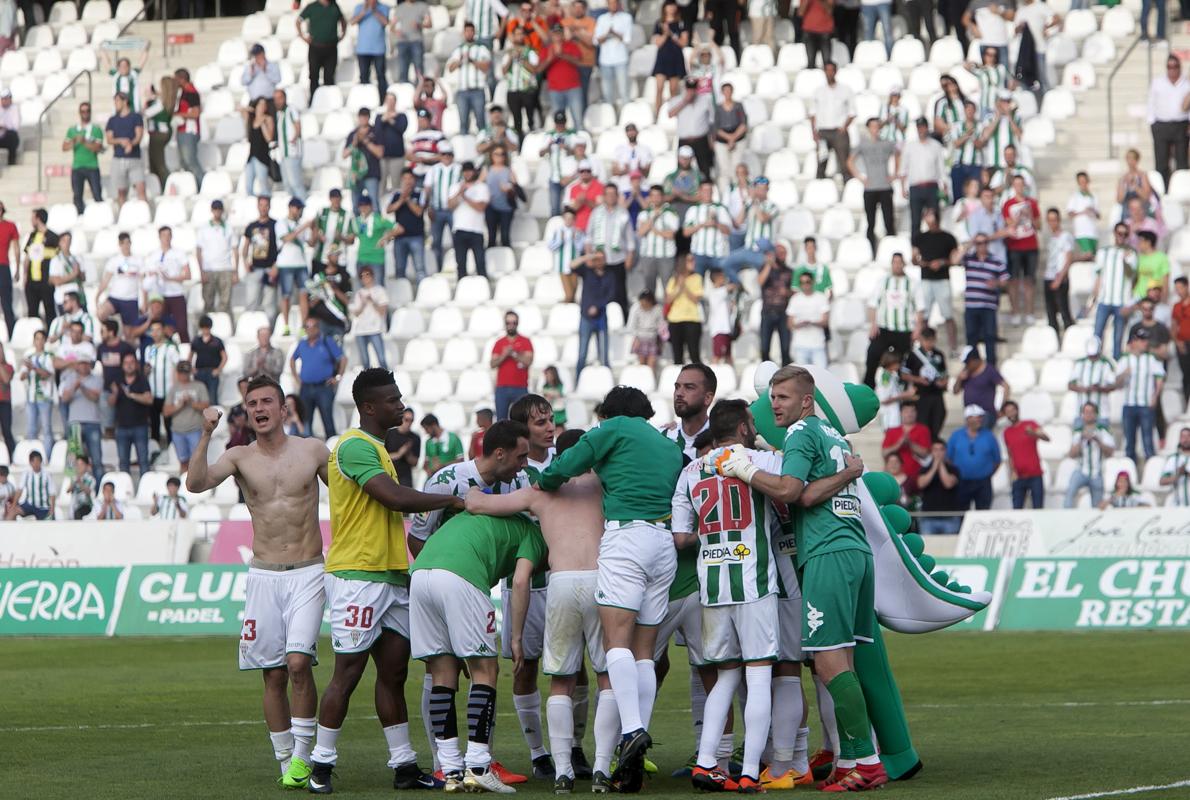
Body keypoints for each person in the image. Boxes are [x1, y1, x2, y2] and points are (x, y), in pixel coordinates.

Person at [709, 366, 887, 791]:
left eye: (783, 397)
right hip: (855, 551)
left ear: (806, 401)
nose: (775, 405)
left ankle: (868, 762)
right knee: (843, 661)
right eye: (773, 397)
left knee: (827, 662)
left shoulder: (801, 433)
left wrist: (744, 470)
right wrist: (845, 474)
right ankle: (851, 761)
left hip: (827, 551)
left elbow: (793, 492)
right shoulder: (834, 437)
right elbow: (811, 491)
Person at [304, 369, 463, 793]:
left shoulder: (377, 448)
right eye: (393, 400)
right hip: (358, 575)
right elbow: (391, 498)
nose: (401, 405)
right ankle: (320, 765)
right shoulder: (355, 446)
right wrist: (452, 500)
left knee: (393, 675)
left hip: (391, 575)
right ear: (369, 407)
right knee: (348, 673)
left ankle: (404, 766)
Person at [536, 386, 683, 791]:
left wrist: (547, 479)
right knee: (645, 652)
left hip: (626, 538)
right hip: (663, 542)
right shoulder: (667, 444)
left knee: (616, 642)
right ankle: (637, 738)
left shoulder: (612, 428)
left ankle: (632, 730)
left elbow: (564, 466)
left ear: (610, 413)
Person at [186, 376, 327, 788]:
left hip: (308, 570)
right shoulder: (239, 457)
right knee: (274, 674)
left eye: (267, 401)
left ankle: (303, 758)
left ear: (284, 409)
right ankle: (286, 761)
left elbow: (351, 493)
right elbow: (195, 483)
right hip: (264, 574)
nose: (260, 408)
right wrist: (206, 433)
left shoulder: (313, 450)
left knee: (298, 663)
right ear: (246, 412)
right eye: (253, 404)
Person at [409, 441, 545, 794]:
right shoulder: (534, 533)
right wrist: (516, 639)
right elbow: (520, 581)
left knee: (442, 672)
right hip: (461, 576)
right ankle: (480, 765)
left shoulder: (485, 515)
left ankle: (450, 770)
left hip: (420, 574)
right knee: (485, 670)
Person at [669, 401, 779, 793]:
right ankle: (749, 772)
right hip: (754, 581)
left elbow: (680, 536)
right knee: (759, 675)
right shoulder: (762, 460)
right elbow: (791, 491)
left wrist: (712, 539)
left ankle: (706, 763)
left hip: (712, 585)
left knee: (726, 676)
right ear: (745, 427)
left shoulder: (690, 471)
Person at [863, 253, 918, 387]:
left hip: (904, 330)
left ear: (904, 264)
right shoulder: (883, 281)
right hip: (884, 328)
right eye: (895, 262)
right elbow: (872, 304)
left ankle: (903, 390)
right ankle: (868, 387)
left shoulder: (912, 283)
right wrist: (873, 324)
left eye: (900, 262)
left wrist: (918, 328)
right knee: (872, 354)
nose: (897, 265)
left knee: (904, 362)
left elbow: (920, 308)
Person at [849, 118, 898, 253]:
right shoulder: (863, 145)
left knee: (889, 221)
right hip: (870, 188)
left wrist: (895, 174)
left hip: (885, 187)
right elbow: (850, 161)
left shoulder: (886, 143)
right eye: (872, 126)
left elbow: (898, 154)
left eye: (877, 126)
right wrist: (860, 177)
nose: (875, 129)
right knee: (871, 222)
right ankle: (871, 251)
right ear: (868, 128)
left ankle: (891, 251)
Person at [292, 318, 346, 438]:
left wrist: (338, 377)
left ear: (318, 328)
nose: (310, 330)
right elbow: (292, 359)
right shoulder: (302, 343)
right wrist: (296, 377)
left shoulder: (327, 341)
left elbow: (342, 358)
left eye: (313, 327)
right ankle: (307, 448)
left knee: (328, 421)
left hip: (324, 387)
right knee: (305, 422)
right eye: (307, 327)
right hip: (306, 387)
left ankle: (332, 447)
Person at [585, 183, 634, 315]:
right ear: (604, 196)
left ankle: (622, 320)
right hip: (599, 260)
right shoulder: (596, 213)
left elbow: (630, 239)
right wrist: (589, 256)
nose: (611, 197)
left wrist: (629, 257)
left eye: (613, 194)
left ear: (617, 196)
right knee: (599, 293)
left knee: (619, 293)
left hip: (618, 260)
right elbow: (589, 237)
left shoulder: (623, 213)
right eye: (608, 194)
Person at [961, 235, 1010, 366]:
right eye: (978, 243)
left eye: (984, 242)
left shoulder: (996, 261)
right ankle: (973, 366)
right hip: (971, 305)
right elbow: (955, 259)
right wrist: (969, 244)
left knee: (990, 336)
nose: (981, 245)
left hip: (988, 305)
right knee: (971, 336)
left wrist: (996, 283)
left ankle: (990, 368)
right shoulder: (969, 259)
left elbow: (1006, 281)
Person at [1091, 223, 1137, 360]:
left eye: (1125, 234)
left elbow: (1131, 276)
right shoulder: (1103, 252)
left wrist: (1125, 260)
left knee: (1118, 337)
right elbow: (1098, 277)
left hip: (1121, 302)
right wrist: (1094, 297)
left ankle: (1116, 364)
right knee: (1097, 334)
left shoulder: (1132, 254)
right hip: (1104, 300)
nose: (1122, 237)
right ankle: (1096, 362)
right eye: (1119, 233)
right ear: (1115, 233)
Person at [1117, 329, 1164, 464]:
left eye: (1146, 340)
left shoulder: (1151, 359)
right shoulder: (1125, 359)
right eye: (1142, 340)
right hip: (1129, 404)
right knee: (1129, 441)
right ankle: (1130, 469)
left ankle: (1151, 468)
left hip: (1145, 404)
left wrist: (1155, 396)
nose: (1145, 343)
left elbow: (1159, 378)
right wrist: (1124, 374)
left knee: (1148, 441)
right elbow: (1116, 383)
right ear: (1134, 342)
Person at [1002, 174, 1041, 325]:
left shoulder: (1032, 203)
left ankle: (1029, 312)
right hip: (1014, 246)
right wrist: (1018, 217)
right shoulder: (1008, 204)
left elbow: (1039, 226)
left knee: (1029, 280)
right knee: (1014, 280)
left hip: (1030, 245)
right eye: (1016, 184)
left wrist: (1030, 215)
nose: (1019, 187)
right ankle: (1015, 311)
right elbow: (1008, 225)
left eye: (1021, 184)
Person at [946, 404, 1001, 511]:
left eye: (981, 417)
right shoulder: (956, 435)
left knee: (983, 513)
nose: (980, 420)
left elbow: (997, 460)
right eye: (977, 417)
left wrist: (986, 473)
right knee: (961, 512)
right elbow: (948, 458)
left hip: (983, 483)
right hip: (962, 482)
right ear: (968, 419)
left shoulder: (989, 435)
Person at [59, 355, 104, 477]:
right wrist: (75, 386)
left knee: (96, 458)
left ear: (90, 366)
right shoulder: (70, 378)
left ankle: (98, 485)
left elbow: (95, 397)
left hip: (92, 422)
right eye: (81, 363)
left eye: (86, 364)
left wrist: (82, 387)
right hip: (75, 423)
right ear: (77, 365)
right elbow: (64, 399)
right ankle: (71, 484)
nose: (83, 366)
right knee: (72, 457)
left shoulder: (97, 379)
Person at [1149, 55, 1189, 186]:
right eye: (1169, 67)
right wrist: (1152, 123)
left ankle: (1181, 187)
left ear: (1179, 68)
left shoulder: (1186, 83)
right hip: (1161, 124)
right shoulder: (1158, 82)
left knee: (1181, 160)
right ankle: (1163, 188)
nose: (1172, 70)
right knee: (1161, 160)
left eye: (1175, 67)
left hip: (1181, 124)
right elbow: (1151, 103)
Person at [632, 186, 678, 300]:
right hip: (648, 255)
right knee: (649, 288)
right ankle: (652, 310)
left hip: (666, 255)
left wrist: (654, 230)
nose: (656, 198)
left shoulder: (671, 213)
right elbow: (641, 232)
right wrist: (653, 217)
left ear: (663, 197)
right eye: (653, 195)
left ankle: (667, 310)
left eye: (658, 195)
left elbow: (671, 235)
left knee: (668, 287)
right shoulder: (644, 213)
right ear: (650, 197)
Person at [810, 62, 855, 180]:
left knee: (844, 163)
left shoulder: (845, 90)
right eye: (827, 70)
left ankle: (849, 186)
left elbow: (852, 112)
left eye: (831, 70)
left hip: (838, 132)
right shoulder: (818, 91)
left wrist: (844, 127)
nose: (829, 73)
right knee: (821, 162)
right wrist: (814, 131)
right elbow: (813, 113)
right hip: (822, 132)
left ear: (835, 72)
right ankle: (820, 185)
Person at [163, 361, 210, 472]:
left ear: (190, 373)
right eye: (181, 373)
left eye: (186, 373)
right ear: (177, 373)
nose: (183, 375)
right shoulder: (173, 389)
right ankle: (184, 481)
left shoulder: (199, 386)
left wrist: (191, 403)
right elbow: (166, 411)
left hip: (195, 429)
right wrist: (179, 405)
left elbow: (206, 406)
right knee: (183, 461)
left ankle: (198, 481)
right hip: (177, 431)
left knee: (197, 461)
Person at [1066, 402, 1115, 508]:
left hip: (1096, 473)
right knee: (1069, 493)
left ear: (1095, 414)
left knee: (1097, 505)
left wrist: (1098, 441)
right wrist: (1081, 440)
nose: (1088, 415)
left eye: (1090, 412)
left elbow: (1110, 452)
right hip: (1081, 470)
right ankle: (1066, 515)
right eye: (1086, 412)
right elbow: (1071, 454)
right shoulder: (1078, 431)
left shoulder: (1103, 430)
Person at [1001, 400, 1048, 510]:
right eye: (1008, 412)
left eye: (1012, 410)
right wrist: (1012, 471)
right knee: (1017, 509)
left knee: (1038, 509)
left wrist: (1034, 433)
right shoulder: (1007, 432)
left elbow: (1046, 438)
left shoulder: (1030, 424)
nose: (1011, 414)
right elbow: (1010, 454)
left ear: (1017, 411)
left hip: (1035, 475)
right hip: (1018, 476)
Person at [195, 200, 238, 319]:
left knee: (225, 303)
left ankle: (225, 325)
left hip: (225, 269)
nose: (217, 212)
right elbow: (198, 251)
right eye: (215, 209)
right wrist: (201, 271)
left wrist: (235, 271)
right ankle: (208, 327)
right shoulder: (204, 228)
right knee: (208, 303)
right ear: (212, 210)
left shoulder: (229, 228)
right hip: (209, 269)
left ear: (222, 211)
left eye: (219, 209)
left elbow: (235, 250)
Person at [103, 93, 146, 212]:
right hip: (118, 158)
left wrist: (131, 144)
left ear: (125, 101)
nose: (115, 104)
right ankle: (123, 213)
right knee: (121, 192)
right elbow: (109, 139)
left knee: (140, 188)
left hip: (134, 159)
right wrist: (121, 141)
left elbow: (139, 135)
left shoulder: (136, 117)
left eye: (117, 101)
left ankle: (144, 213)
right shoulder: (112, 120)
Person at [385, 171, 429, 283]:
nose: (408, 181)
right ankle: (401, 291)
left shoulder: (420, 193)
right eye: (405, 178)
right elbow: (389, 210)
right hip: (400, 237)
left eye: (410, 178)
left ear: (414, 180)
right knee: (399, 269)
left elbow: (419, 212)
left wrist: (408, 199)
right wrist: (401, 199)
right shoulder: (396, 195)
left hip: (416, 236)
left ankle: (422, 290)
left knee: (420, 268)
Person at [449, 161, 490, 278]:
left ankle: (483, 285)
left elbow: (480, 207)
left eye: (469, 171)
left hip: (476, 230)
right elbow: (450, 205)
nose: (467, 173)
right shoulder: (455, 187)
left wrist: (465, 197)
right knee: (461, 264)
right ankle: (461, 286)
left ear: (474, 172)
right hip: (459, 230)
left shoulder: (482, 187)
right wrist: (459, 192)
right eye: (465, 171)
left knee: (480, 263)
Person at [668, 77, 715, 179]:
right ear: (685, 89)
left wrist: (712, 139)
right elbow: (670, 114)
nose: (691, 92)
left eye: (693, 89)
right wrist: (685, 102)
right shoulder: (677, 100)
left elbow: (712, 120)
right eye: (689, 89)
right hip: (684, 140)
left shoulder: (705, 100)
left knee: (705, 169)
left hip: (701, 140)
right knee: (682, 169)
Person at [448, 22, 491, 135]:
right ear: (463, 33)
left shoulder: (481, 49)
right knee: (463, 123)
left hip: (477, 90)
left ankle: (482, 141)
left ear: (474, 32)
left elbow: (486, 67)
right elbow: (450, 68)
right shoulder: (458, 50)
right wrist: (460, 61)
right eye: (466, 31)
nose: (469, 33)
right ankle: (464, 143)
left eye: (471, 31)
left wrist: (472, 61)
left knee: (480, 121)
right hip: (462, 91)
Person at [490, 311, 534, 421]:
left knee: (522, 420)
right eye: (508, 323)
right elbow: (492, 364)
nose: (511, 325)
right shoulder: (499, 342)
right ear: (504, 324)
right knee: (501, 421)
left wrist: (514, 354)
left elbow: (528, 361)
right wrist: (504, 354)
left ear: (518, 323)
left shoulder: (525, 341)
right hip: (502, 388)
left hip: (520, 387)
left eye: (514, 322)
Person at [63, 102, 104, 214]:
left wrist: (84, 142)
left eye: (87, 111)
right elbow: (64, 147)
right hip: (77, 167)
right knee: (77, 195)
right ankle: (80, 215)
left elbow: (98, 148)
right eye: (83, 111)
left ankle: (101, 215)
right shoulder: (73, 130)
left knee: (97, 194)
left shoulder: (96, 129)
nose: (85, 113)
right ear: (79, 113)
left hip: (92, 166)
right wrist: (74, 141)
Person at [299, 0, 346, 95]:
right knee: (313, 76)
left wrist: (343, 34)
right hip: (316, 47)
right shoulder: (312, 7)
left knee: (329, 77)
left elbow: (342, 20)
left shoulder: (334, 6)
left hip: (331, 47)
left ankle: (329, 99)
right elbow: (298, 21)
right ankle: (314, 98)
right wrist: (302, 36)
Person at [243, 196, 279, 317]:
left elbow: (281, 247)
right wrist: (245, 262)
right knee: (251, 301)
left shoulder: (275, 225)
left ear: (269, 207)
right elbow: (246, 246)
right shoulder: (251, 226)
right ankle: (251, 324)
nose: (263, 208)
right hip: (255, 268)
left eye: (266, 205)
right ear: (257, 206)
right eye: (261, 205)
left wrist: (276, 266)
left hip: (270, 268)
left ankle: (269, 325)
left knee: (269, 303)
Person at [666, 254, 705, 365]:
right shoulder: (673, 280)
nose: (693, 263)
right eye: (690, 260)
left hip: (692, 319)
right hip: (675, 320)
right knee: (677, 356)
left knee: (694, 354)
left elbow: (696, 299)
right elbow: (668, 299)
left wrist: (684, 287)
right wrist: (678, 286)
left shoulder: (697, 278)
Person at [881, 400, 931, 487]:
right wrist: (899, 444)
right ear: (901, 413)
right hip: (895, 479)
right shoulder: (892, 431)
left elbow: (925, 453)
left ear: (917, 413)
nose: (909, 414)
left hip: (917, 478)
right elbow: (884, 453)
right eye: (906, 411)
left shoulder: (923, 430)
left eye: (912, 411)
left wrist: (910, 443)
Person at [651, 2, 689, 115]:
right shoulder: (659, 23)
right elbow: (658, 43)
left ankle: (673, 113)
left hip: (675, 58)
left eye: (673, 5)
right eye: (669, 5)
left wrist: (671, 34)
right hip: (662, 58)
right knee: (659, 88)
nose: (671, 8)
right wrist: (665, 34)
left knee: (673, 89)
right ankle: (658, 113)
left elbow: (683, 42)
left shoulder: (681, 23)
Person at [503, 24, 541, 137]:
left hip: (527, 89)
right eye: (517, 34)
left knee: (530, 119)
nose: (519, 37)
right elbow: (504, 71)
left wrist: (523, 59)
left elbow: (535, 70)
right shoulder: (509, 52)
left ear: (524, 36)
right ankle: (519, 141)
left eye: (521, 34)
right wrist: (511, 58)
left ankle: (531, 138)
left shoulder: (530, 52)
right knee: (517, 120)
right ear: (513, 36)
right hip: (513, 89)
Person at [349, 266, 388, 369]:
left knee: (381, 359)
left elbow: (382, 311)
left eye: (367, 275)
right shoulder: (359, 293)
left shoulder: (380, 290)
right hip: (360, 330)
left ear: (372, 276)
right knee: (365, 361)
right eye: (362, 276)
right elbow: (356, 313)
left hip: (375, 329)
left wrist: (372, 301)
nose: (365, 278)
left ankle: (386, 378)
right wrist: (363, 303)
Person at [344, 108, 384, 212]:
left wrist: (366, 142)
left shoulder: (375, 132)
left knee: (374, 203)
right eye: (361, 116)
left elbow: (380, 153)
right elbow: (344, 154)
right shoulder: (353, 134)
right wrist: (354, 143)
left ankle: (376, 222)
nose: (363, 119)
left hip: (371, 173)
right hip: (356, 175)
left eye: (365, 116)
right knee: (356, 204)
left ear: (369, 117)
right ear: (358, 117)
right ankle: (357, 222)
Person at [311, 189, 357, 274]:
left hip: (339, 260)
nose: (336, 200)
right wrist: (319, 235)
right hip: (321, 258)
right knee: (318, 282)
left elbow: (352, 240)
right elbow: (314, 229)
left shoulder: (347, 215)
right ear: (330, 198)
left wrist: (341, 237)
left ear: (341, 198)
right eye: (333, 197)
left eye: (338, 197)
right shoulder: (322, 212)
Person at [353, 195, 395, 286]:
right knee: (363, 288)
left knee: (378, 286)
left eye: (366, 205)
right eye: (361, 205)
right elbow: (352, 236)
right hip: (362, 258)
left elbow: (398, 229)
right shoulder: (357, 221)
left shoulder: (379, 219)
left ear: (371, 206)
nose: (363, 207)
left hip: (377, 258)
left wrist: (386, 238)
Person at [482, 146, 519, 248]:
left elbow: (517, 190)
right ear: (491, 156)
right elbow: (478, 186)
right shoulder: (487, 170)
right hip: (490, 207)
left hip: (506, 207)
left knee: (505, 236)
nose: (499, 157)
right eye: (496, 154)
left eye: (502, 154)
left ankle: (507, 256)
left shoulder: (509, 171)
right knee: (491, 236)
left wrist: (509, 189)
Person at [352, 0, 390, 95]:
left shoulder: (383, 7)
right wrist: (364, 11)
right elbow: (352, 22)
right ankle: (365, 99)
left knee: (381, 76)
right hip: (363, 49)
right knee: (363, 77)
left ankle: (382, 99)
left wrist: (374, 10)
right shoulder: (359, 7)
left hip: (379, 49)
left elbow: (385, 22)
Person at [242, 97, 276, 197]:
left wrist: (262, 124)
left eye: (264, 105)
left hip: (261, 156)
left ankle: (266, 201)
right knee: (248, 184)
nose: (262, 107)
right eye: (260, 104)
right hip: (251, 156)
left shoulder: (268, 119)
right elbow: (241, 109)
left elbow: (269, 138)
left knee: (263, 183)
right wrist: (251, 110)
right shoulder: (251, 120)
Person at [392, 0, 430, 83]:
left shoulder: (422, 6)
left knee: (419, 68)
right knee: (403, 69)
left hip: (416, 41)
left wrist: (419, 25)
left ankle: (419, 87)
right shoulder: (400, 8)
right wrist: (396, 31)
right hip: (402, 42)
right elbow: (392, 26)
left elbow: (429, 24)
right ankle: (404, 88)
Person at [8, 451, 53, 520]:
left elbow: (52, 493)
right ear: (30, 462)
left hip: (43, 507)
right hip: (29, 505)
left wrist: (52, 508)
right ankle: (8, 527)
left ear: (41, 462)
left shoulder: (47, 475)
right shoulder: (26, 474)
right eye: (33, 461)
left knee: (48, 520)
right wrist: (13, 506)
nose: (36, 464)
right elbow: (19, 490)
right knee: (12, 512)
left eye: (38, 461)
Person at [385, 408, 422, 487]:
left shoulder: (415, 438)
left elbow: (415, 463)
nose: (409, 423)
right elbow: (382, 456)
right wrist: (399, 454)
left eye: (411, 420)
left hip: (405, 478)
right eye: (406, 420)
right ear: (401, 418)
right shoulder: (389, 434)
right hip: (388, 475)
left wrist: (408, 453)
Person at [1159, 426, 1190, 505]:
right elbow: (1162, 481)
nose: (1186, 439)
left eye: (1188, 436)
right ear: (1179, 439)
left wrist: (1187, 474)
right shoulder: (1173, 459)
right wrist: (1178, 475)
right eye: (1183, 437)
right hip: (1177, 505)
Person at [0, 202, 17, 337]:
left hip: (3, 266)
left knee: (7, 304)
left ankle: (12, 334)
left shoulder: (10, 226)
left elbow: (16, 248)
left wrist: (18, 267)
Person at [0, 88, 18, 165]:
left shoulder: (14, 109)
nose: (4, 101)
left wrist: (4, 126)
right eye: (2, 99)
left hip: (8, 136)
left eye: (5, 99)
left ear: (10, 99)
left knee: (12, 136)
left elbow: (15, 127)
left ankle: (11, 162)